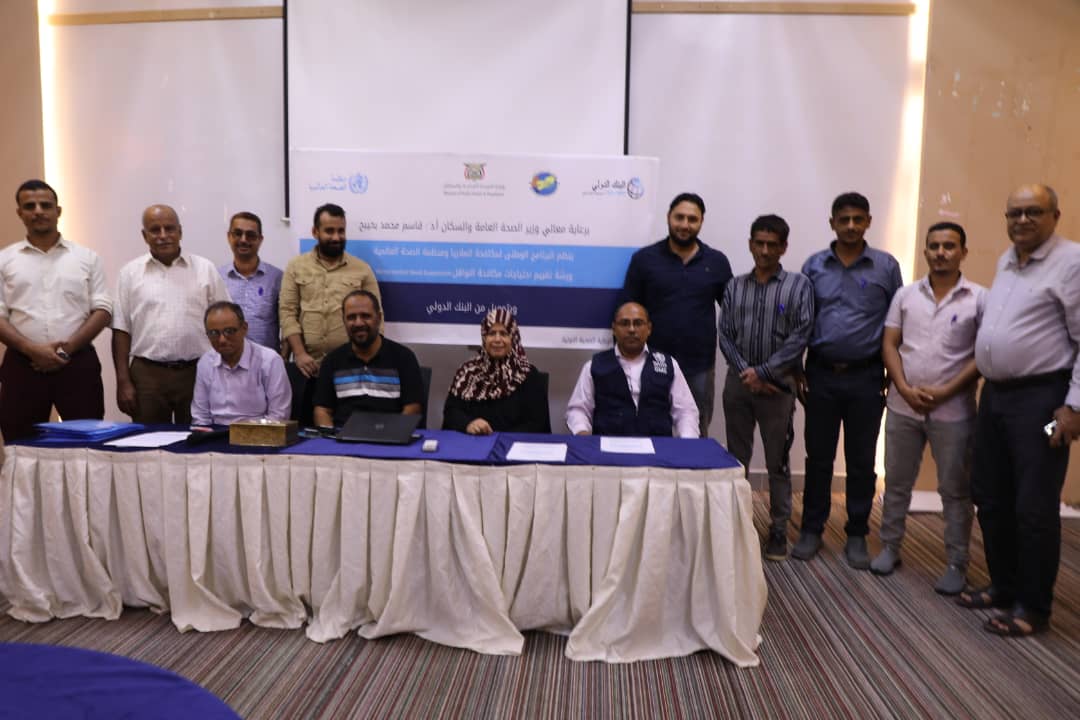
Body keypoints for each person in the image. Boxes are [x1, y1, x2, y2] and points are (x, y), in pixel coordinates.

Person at [959, 184, 1080, 637]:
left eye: (1033, 212)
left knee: (1034, 504)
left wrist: (1073, 407)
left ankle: (1033, 606)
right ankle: (1004, 586)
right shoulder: (1007, 260)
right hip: (996, 397)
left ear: (1055, 215)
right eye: (1015, 213)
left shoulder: (1072, 263)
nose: (1023, 220)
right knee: (990, 496)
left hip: (1042, 403)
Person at [870, 222, 985, 595]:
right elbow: (890, 343)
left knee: (955, 489)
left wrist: (948, 390)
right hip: (903, 406)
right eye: (934, 246)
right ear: (925, 252)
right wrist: (903, 387)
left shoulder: (979, 298)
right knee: (897, 481)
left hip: (954, 412)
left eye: (949, 246)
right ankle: (890, 547)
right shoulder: (905, 295)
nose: (941, 252)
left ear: (963, 252)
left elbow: (982, 355)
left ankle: (956, 563)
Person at [794, 192, 903, 568]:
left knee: (861, 461)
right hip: (821, 374)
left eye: (859, 219)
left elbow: (898, 322)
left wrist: (893, 372)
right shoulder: (813, 266)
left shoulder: (886, 267)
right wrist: (796, 368)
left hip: (866, 377)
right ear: (833, 223)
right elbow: (800, 321)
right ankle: (811, 529)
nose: (852, 226)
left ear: (868, 221)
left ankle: (857, 533)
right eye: (845, 219)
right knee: (818, 458)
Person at [718, 214, 814, 561]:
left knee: (778, 462)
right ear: (750, 244)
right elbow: (724, 334)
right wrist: (748, 374)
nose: (765, 250)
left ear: (783, 247)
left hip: (778, 387)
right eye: (759, 243)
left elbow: (801, 334)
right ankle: (739, 525)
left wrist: (764, 372)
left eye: (772, 244)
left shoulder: (798, 286)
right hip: (738, 386)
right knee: (736, 459)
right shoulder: (734, 286)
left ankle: (778, 529)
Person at [0, 180, 112, 440]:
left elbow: (103, 310)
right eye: (30, 206)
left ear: (58, 211)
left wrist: (64, 351)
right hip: (22, 366)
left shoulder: (87, 258)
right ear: (20, 213)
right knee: (21, 445)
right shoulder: (5, 260)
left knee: (87, 445)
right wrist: (33, 350)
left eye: (45, 205)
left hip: (77, 364)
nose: (38, 211)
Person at [622, 192, 732, 436]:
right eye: (679, 217)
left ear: (701, 221)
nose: (685, 224)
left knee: (696, 433)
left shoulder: (716, 262)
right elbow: (626, 309)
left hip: (699, 365)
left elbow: (733, 312)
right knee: (650, 432)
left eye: (692, 219)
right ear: (668, 217)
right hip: (652, 363)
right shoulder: (644, 260)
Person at [111, 204, 231, 424]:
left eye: (169, 228)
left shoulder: (205, 269)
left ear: (180, 232)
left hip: (197, 371)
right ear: (144, 235)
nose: (163, 235)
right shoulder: (129, 274)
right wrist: (123, 381)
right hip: (147, 376)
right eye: (155, 230)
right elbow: (120, 330)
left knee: (198, 438)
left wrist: (225, 372)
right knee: (149, 441)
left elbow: (225, 322)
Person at [280, 203, 381, 425]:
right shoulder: (296, 267)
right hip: (308, 369)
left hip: (349, 372)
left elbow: (376, 317)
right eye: (329, 231)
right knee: (307, 433)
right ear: (315, 232)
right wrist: (299, 353)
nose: (336, 237)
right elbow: (287, 312)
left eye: (341, 231)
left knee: (349, 429)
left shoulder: (361, 270)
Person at [566, 302, 699, 438]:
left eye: (638, 323)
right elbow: (578, 410)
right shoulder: (595, 366)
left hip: (659, 445)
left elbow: (686, 411)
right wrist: (582, 433)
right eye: (624, 323)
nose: (631, 329)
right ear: (614, 329)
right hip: (609, 445)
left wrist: (687, 441)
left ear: (649, 328)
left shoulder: (668, 364)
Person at [312, 290, 422, 427]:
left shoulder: (404, 357)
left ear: (379, 318)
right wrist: (329, 437)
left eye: (365, 316)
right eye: (351, 317)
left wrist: (394, 435)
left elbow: (412, 408)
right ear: (344, 321)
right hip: (342, 438)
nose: (358, 323)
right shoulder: (332, 361)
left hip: (390, 437)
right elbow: (322, 411)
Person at [443, 308, 550, 434]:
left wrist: (500, 438)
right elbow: (451, 411)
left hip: (512, 443)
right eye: (492, 333)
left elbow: (537, 423)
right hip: (474, 442)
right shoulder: (468, 373)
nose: (497, 339)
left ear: (513, 338)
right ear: (484, 337)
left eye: (504, 334)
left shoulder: (527, 374)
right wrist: (468, 424)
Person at [190, 301, 291, 426]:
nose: (222, 340)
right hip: (215, 433)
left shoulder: (269, 361)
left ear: (244, 328)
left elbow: (279, 416)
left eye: (229, 331)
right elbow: (200, 416)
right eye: (214, 333)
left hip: (257, 433)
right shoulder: (205, 362)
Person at [220, 211, 283, 351]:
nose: (243, 240)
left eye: (250, 235)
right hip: (227, 359)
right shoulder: (217, 277)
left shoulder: (277, 278)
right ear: (229, 237)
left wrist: (283, 357)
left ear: (260, 239)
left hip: (267, 361)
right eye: (238, 233)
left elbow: (288, 321)